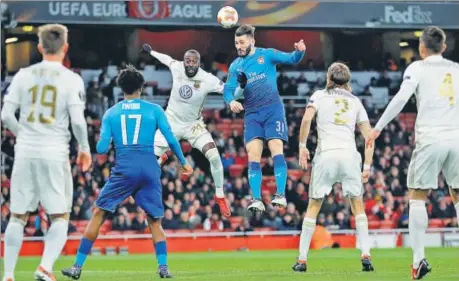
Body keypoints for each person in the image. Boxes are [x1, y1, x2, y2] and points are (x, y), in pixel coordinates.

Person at [61, 65, 192, 280]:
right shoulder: (154, 110)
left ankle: (77, 266)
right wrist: (184, 162)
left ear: (120, 88)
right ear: (142, 87)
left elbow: (102, 149)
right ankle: (163, 267)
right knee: (154, 221)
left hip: (125, 169)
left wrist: (111, 138)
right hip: (149, 168)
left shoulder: (111, 113)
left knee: (99, 214)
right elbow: (171, 138)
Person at [0, 23, 91, 281]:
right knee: (60, 215)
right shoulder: (71, 79)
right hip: (54, 151)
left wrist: (24, 134)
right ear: (66, 48)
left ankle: (8, 275)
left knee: (18, 215)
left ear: (39, 47)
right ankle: (44, 267)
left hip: (25, 152)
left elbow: (5, 114)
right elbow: (77, 122)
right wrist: (84, 148)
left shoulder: (23, 75)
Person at [367, 26, 459, 280]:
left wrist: (377, 128)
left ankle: (419, 260)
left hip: (431, 137)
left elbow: (400, 98)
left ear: (421, 49)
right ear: (443, 48)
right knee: (458, 195)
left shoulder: (417, 68)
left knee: (417, 196)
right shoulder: (456, 69)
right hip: (457, 137)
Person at [141, 44, 243, 217]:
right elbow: (165, 58)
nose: (189, 63)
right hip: (171, 123)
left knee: (215, 157)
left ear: (199, 64)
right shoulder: (177, 67)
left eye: (193, 61)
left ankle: (220, 195)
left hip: (194, 126)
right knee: (148, 158)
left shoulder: (207, 79)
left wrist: (242, 86)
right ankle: (147, 181)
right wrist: (151, 51)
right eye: (187, 60)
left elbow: (229, 91)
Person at [292, 62, 375, 273]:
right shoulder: (356, 101)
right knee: (358, 206)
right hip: (349, 156)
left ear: (329, 78)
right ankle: (366, 255)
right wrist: (367, 165)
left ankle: (302, 260)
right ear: (348, 80)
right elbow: (369, 137)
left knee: (313, 207)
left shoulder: (319, 96)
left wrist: (302, 146)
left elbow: (306, 119)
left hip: (326, 155)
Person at [223, 24, 305, 211]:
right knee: (253, 156)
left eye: (242, 42)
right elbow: (228, 90)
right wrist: (231, 102)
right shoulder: (236, 65)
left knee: (276, 150)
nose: (239, 46)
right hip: (252, 113)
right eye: (236, 43)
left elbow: (291, 58)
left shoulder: (267, 54)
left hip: (272, 110)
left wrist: (299, 51)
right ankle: (256, 199)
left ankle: (281, 195)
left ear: (252, 41)